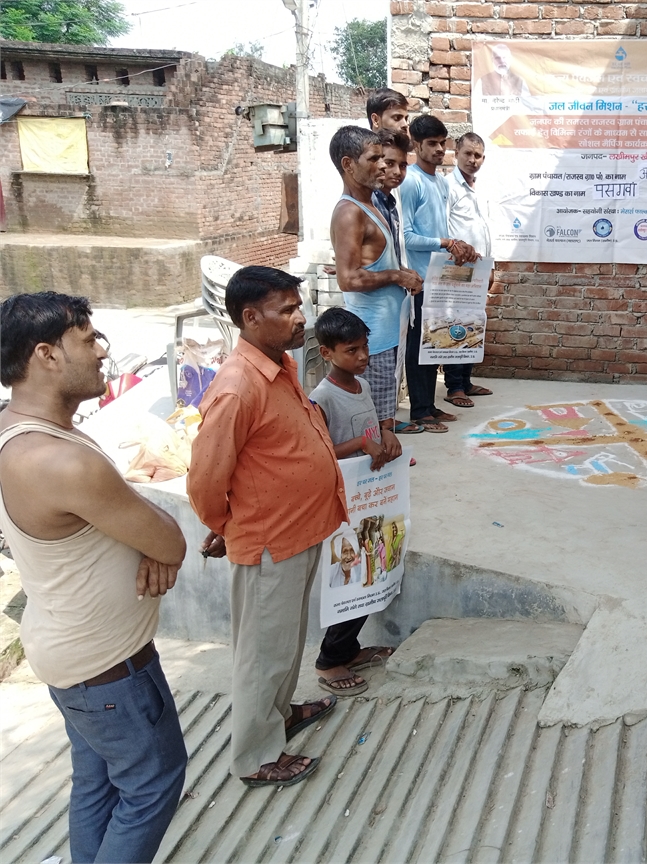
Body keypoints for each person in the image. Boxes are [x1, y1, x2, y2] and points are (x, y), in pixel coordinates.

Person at [0, 292, 188, 864]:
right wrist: (153, 543)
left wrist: (142, 534)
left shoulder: (22, 432)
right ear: (46, 355)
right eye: (89, 339)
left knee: (99, 783)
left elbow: (134, 524)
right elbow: (171, 540)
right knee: (152, 784)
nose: (104, 352)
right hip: (107, 671)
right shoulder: (59, 460)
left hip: (74, 657)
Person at [188, 265, 346, 787]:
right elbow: (205, 479)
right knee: (262, 654)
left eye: (299, 307)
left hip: (299, 531)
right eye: (288, 310)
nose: (301, 319)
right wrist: (226, 525)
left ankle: (279, 715)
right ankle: (255, 758)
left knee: (285, 640)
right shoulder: (238, 387)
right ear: (251, 317)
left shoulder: (280, 365)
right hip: (269, 542)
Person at [308, 306, 404, 697]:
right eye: (352, 350)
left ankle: (348, 649)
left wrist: (386, 434)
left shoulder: (361, 386)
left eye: (365, 347)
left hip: (371, 496)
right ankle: (330, 660)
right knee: (350, 575)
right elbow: (319, 453)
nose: (363, 356)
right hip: (343, 505)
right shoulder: (321, 398)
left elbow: (373, 428)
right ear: (327, 353)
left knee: (373, 571)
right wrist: (361, 445)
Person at [330, 125, 424, 441]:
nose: (383, 166)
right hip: (373, 337)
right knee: (375, 425)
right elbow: (348, 278)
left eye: (383, 157)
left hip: (387, 332)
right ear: (348, 164)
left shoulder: (372, 204)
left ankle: (386, 459)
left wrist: (403, 273)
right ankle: (381, 465)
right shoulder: (349, 212)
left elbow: (374, 264)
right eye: (374, 159)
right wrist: (397, 276)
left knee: (385, 415)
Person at [399, 114, 479, 432]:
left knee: (434, 345)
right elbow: (406, 237)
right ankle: (419, 411)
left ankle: (429, 406)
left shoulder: (440, 183)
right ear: (416, 145)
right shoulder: (411, 181)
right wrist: (445, 243)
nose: (439, 150)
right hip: (417, 281)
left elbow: (440, 230)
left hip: (438, 278)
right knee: (419, 348)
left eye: (442, 143)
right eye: (431, 143)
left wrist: (458, 248)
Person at [444, 131, 497, 409]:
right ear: (456, 154)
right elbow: (444, 229)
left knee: (472, 324)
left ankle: (466, 382)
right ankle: (454, 387)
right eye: (467, 154)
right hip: (457, 269)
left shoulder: (481, 189)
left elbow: (485, 232)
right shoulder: (448, 187)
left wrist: (491, 267)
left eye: (478, 155)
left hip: (479, 269)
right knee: (456, 325)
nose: (472, 160)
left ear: (484, 159)